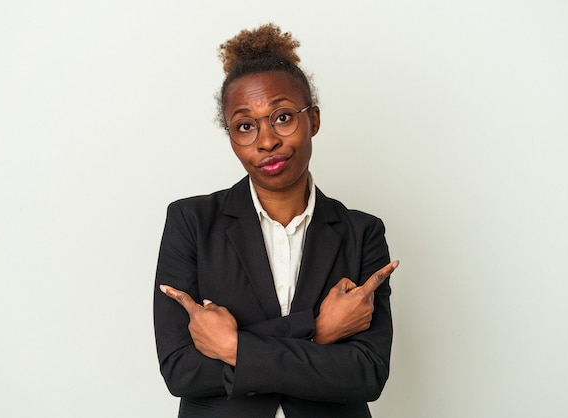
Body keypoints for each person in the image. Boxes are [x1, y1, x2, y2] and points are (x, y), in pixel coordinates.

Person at [153, 23, 399, 418]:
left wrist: (233, 348)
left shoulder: (362, 232)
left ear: (313, 120)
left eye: (282, 117)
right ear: (232, 137)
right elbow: (181, 370)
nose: (266, 141)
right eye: (245, 126)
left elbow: (367, 374)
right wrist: (318, 333)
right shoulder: (191, 222)